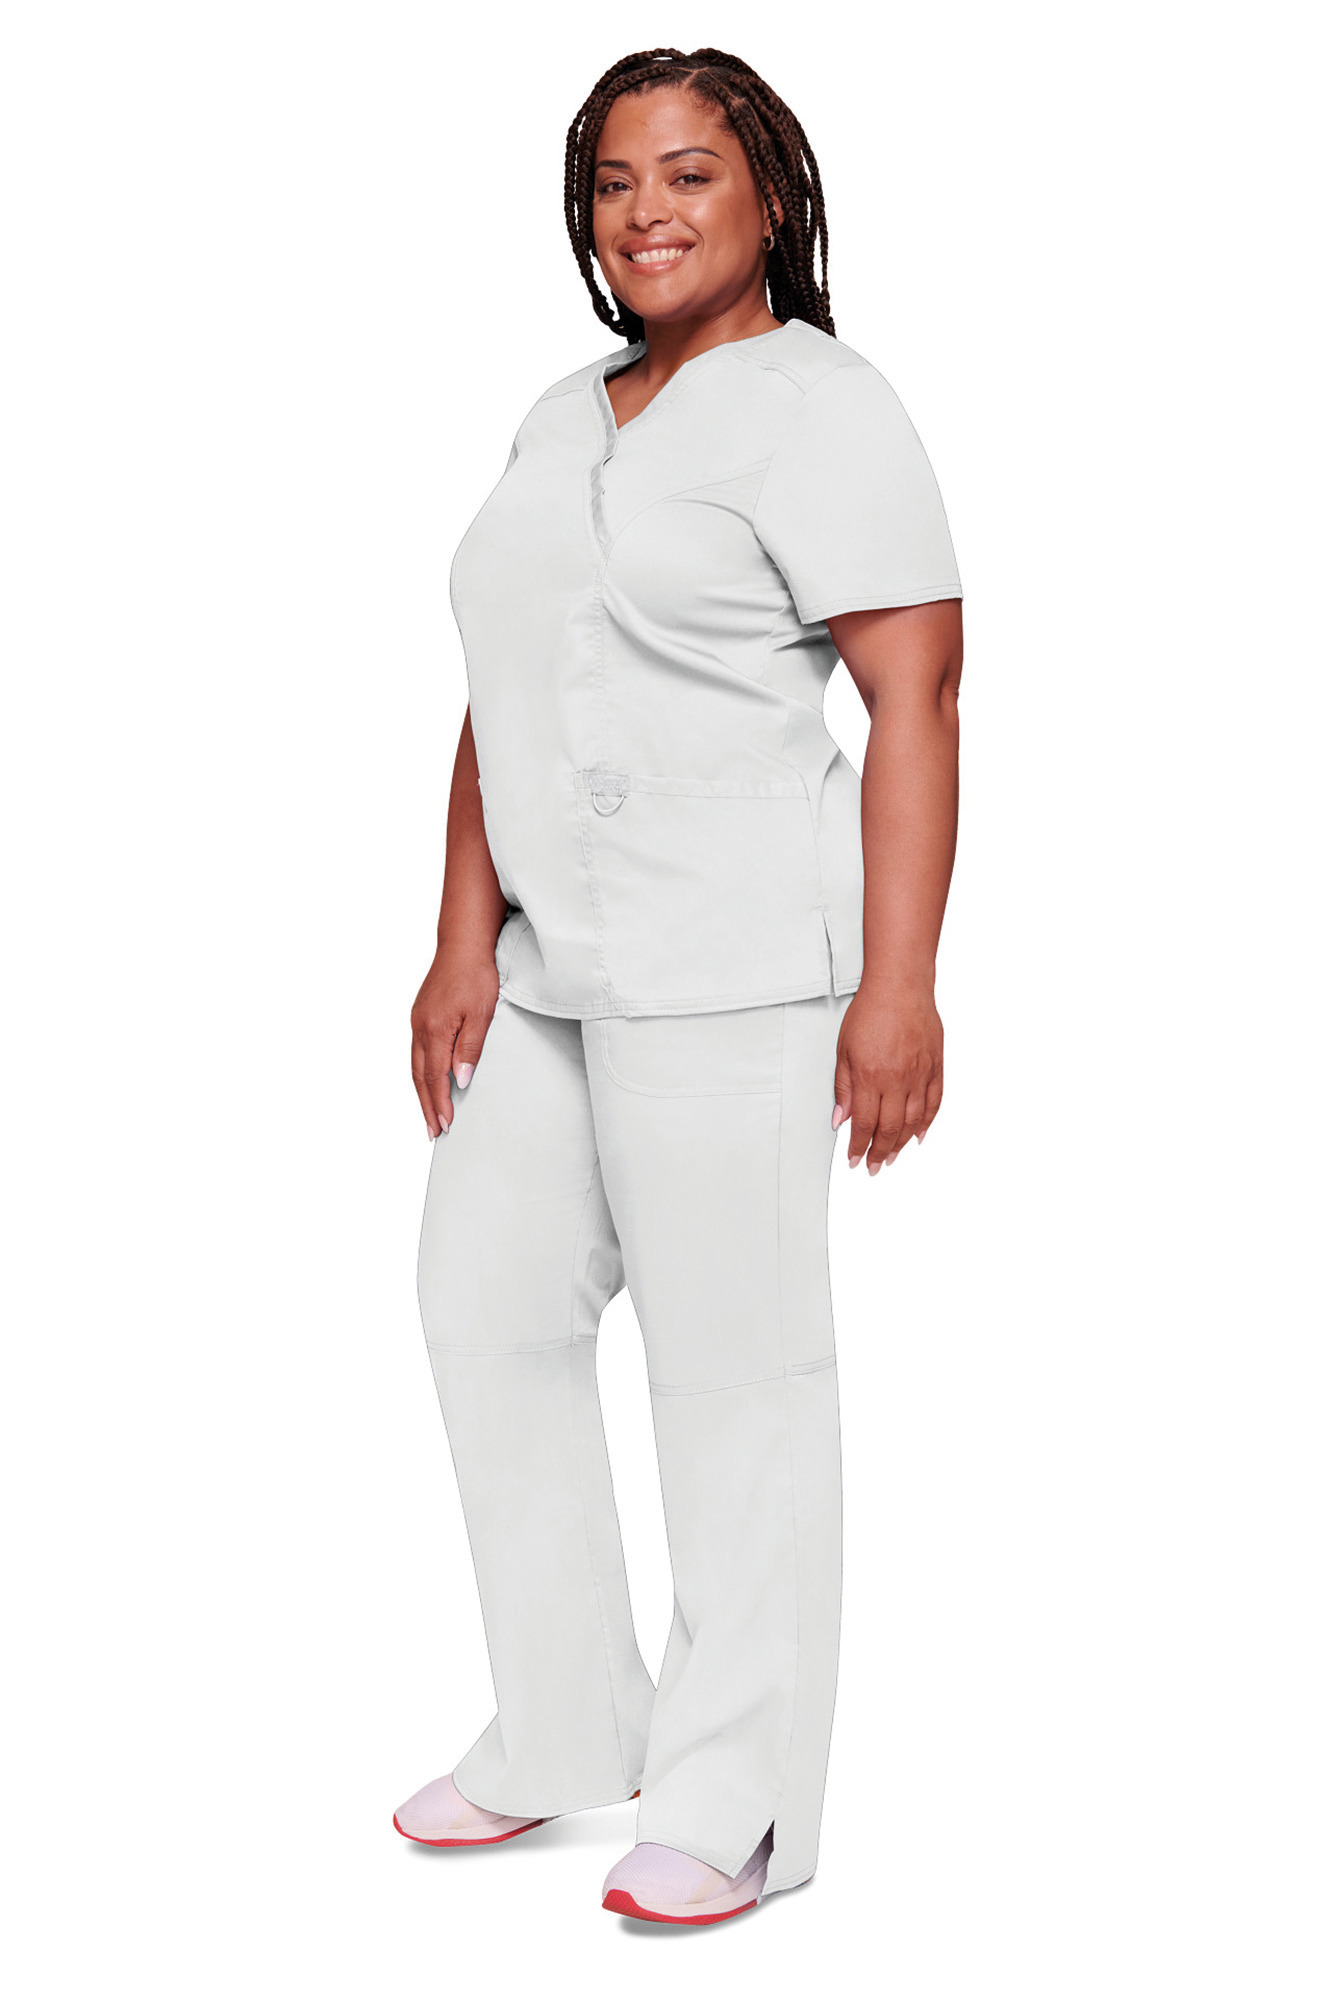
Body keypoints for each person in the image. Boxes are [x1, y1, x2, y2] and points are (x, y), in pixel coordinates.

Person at [398, 46, 965, 1927]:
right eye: (613, 183)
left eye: (688, 173)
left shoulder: (824, 408)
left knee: (737, 1379)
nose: (644, 212)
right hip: (548, 968)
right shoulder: (561, 413)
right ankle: (566, 1723)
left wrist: (900, 988)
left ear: (769, 196)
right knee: (483, 1310)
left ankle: (738, 1804)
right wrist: (459, 935)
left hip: (734, 965)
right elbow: (502, 685)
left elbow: (913, 698)